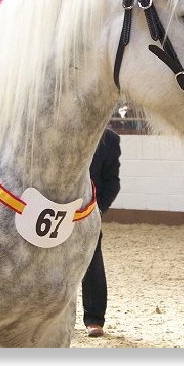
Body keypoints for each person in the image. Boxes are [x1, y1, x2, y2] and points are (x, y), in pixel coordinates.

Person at [82, 128, 121, 337]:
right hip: (56, 207)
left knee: (93, 263)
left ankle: (94, 319)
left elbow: (112, 181)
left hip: (89, 211)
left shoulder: (110, 140)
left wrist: (97, 211)